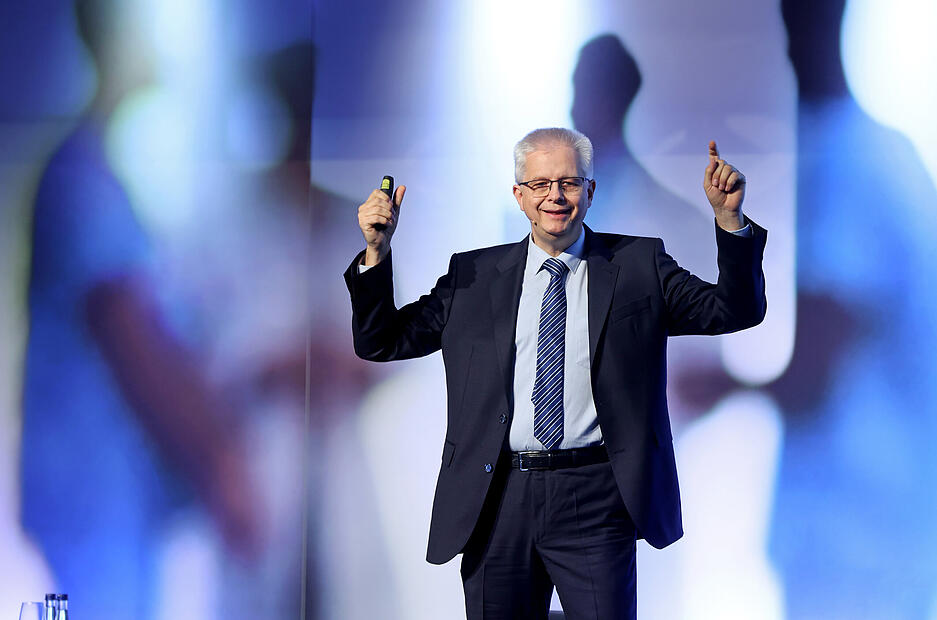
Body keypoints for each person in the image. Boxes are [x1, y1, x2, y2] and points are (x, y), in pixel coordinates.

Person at [344, 127, 766, 619]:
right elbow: (382, 341)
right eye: (540, 184)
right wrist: (376, 252)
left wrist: (729, 220)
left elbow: (732, 310)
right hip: (497, 496)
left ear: (591, 191)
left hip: (595, 494)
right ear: (519, 195)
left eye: (568, 182)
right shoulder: (472, 276)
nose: (555, 196)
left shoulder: (638, 264)